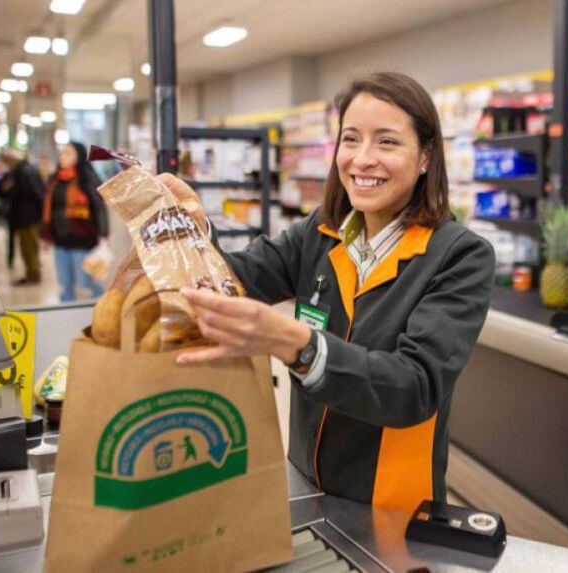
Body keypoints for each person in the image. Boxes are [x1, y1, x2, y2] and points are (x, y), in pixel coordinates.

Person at [159, 72, 495, 514]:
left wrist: (294, 343)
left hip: (392, 503)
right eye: (351, 139)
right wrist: (194, 228)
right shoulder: (320, 234)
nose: (362, 159)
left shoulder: (459, 256)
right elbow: (234, 279)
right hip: (305, 480)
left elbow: (413, 386)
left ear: (426, 157)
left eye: (387, 142)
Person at [43, 141, 108, 302]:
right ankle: (66, 315)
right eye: (62, 153)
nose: (63, 156)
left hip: (83, 240)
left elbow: (99, 207)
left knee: (86, 281)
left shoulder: (87, 179)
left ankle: (101, 304)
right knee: (65, 283)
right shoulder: (55, 180)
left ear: (78, 156)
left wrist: (104, 233)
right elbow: (48, 208)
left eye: (68, 153)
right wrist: (45, 235)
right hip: (61, 240)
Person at [0, 149, 45, 285]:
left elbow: (36, 194)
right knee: (26, 246)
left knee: (30, 246)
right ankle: (30, 273)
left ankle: (33, 274)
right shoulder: (20, 171)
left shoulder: (24, 171)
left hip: (28, 216)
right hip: (23, 216)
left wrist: (39, 214)